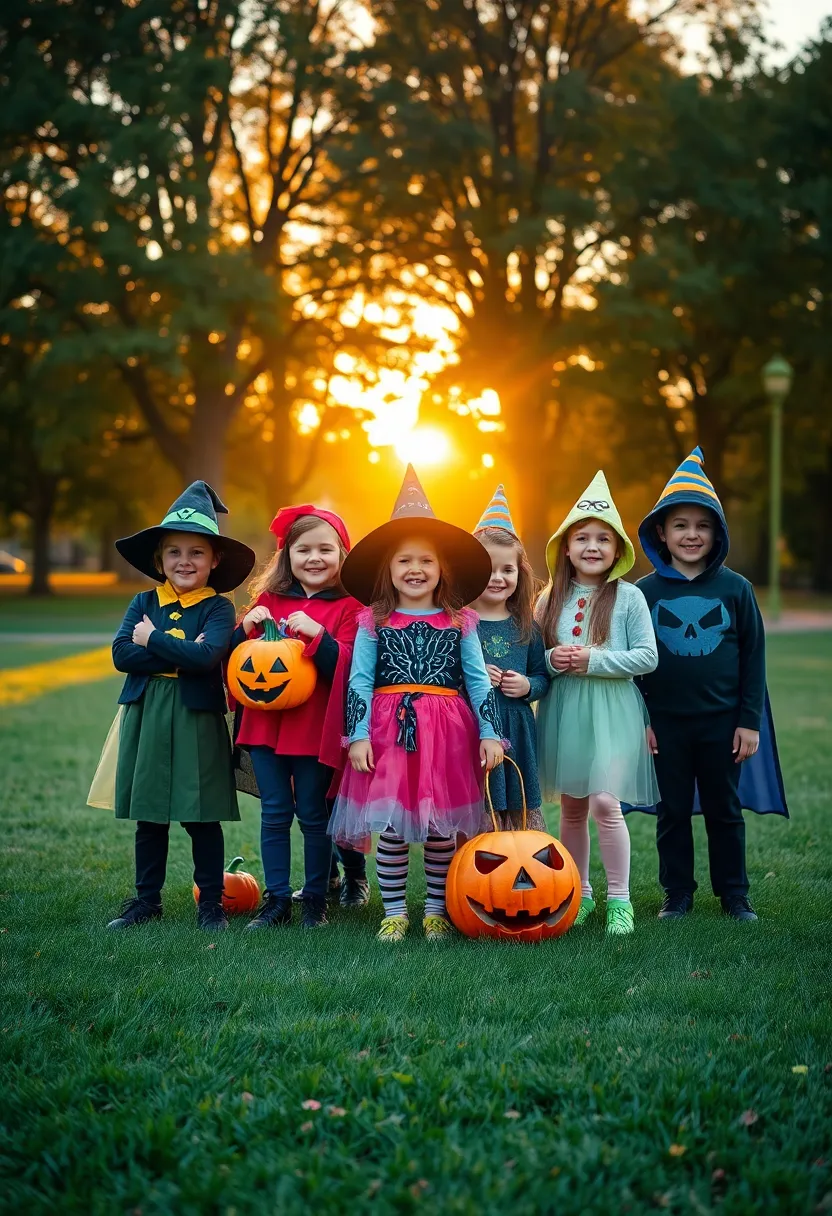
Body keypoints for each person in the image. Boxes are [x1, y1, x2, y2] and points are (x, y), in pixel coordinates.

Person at [328, 465, 505, 942]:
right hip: (388, 731)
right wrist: (358, 735)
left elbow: (477, 681)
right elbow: (359, 682)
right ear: (388, 569)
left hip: (447, 731)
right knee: (390, 825)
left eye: (426, 560)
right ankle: (393, 911)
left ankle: (433, 910)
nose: (415, 569)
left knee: (440, 827)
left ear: (442, 569)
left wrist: (490, 733)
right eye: (404, 560)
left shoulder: (460, 620)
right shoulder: (374, 620)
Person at [633, 447, 788, 922]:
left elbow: (754, 657)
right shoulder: (644, 593)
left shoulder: (735, 589)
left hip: (723, 724)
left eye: (702, 525)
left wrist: (748, 722)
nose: (691, 534)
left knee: (725, 811)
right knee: (672, 812)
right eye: (680, 525)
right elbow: (634, 667)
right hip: (666, 726)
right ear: (661, 531)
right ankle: (677, 893)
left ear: (716, 531)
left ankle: (734, 895)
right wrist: (642, 721)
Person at [105, 481, 255, 932]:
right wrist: (181, 650)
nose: (184, 562)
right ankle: (146, 901)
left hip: (197, 716)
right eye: (174, 552)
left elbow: (208, 658)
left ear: (214, 560)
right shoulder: (143, 601)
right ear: (159, 560)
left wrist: (153, 639)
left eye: (196, 552)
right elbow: (120, 655)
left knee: (201, 814)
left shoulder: (219, 609)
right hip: (147, 712)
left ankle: (211, 903)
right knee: (150, 816)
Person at [228, 505, 366, 930]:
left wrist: (317, 635)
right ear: (286, 556)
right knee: (274, 811)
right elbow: (237, 664)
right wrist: (243, 628)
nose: (314, 558)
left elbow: (347, 665)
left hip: (313, 727)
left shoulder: (349, 606)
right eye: (303, 549)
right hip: (265, 725)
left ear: (342, 554)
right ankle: (276, 900)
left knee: (312, 813)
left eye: (326, 549)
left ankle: (315, 901)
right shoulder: (269, 601)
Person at [536, 472, 659, 935]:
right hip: (567, 710)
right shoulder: (550, 598)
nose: (592, 546)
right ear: (565, 548)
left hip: (612, 711)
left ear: (618, 548)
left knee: (606, 803)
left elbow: (647, 657)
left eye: (603, 538)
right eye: (582, 538)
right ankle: (579, 893)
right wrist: (553, 657)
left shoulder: (629, 597)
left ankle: (620, 900)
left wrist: (594, 658)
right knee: (571, 805)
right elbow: (537, 659)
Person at [469, 484, 550, 830]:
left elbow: (544, 676)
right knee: (482, 804)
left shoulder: (526, 626)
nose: (498, 578)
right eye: (488, 568)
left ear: (520, 574)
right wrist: (471, 676)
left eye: (507, 570)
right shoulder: (460, 624)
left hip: (517, 729)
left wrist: (528, 686)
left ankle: (520, 869)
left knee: (517, 802)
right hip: (474, 727)